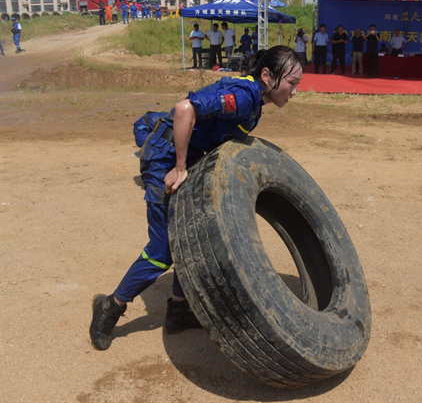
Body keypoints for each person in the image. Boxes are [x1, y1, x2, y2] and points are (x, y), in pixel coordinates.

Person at [89, 45, 304, 351]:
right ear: (267, 76)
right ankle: (110, 307)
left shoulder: (255, 103)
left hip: (189, 160)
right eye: (292, 83)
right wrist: (178, 166)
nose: (295, 92)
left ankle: (179, 311)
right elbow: (184, 109)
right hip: (164, 158)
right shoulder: (243, 95)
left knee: (189, 236)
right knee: (163, 249)